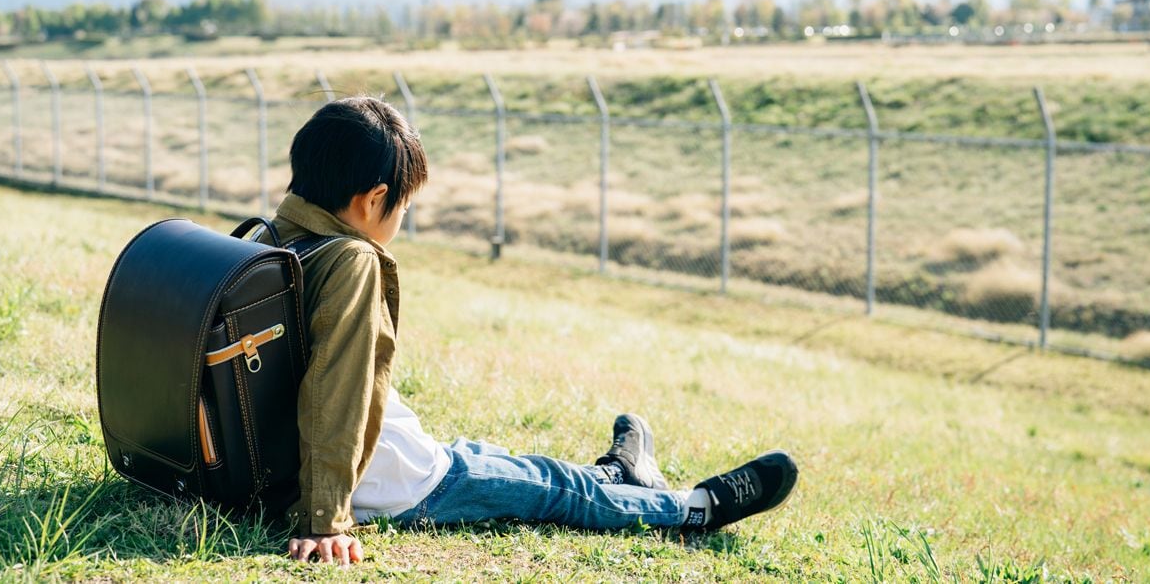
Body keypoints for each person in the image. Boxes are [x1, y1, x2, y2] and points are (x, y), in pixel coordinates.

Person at [271, 96, 799, 566]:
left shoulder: (268, 240)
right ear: (372, 200)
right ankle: (695, 507)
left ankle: (619, 474)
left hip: (394, 455)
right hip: (400, 484)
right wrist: (326, 519)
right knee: (554, 491)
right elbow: (336, 388)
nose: (401, 219)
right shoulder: (353, 261)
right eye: (403, 207)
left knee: (502, 462)